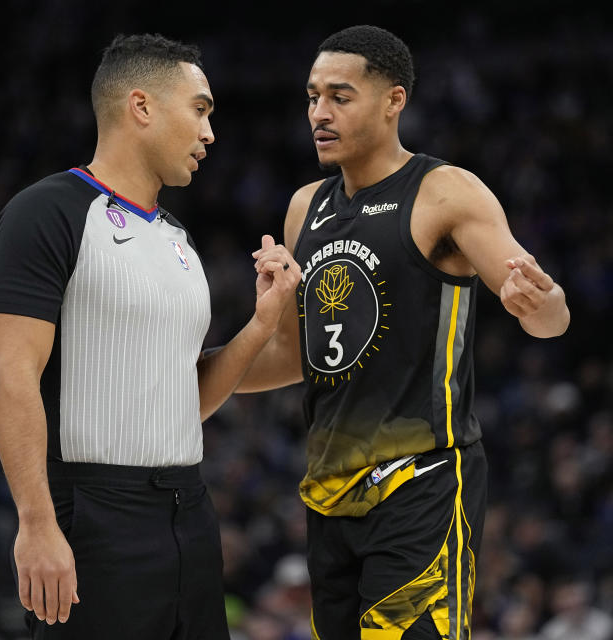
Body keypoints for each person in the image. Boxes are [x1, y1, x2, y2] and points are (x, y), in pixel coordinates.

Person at [239, 25, 570, 639]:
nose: (319, 113)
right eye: (312, 97)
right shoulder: (303, 206)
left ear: (394, 100)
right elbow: (292, 355)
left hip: (421, 485)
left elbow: (551, 318)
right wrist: (188, 374)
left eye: (340, 96)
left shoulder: (444, 192)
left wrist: (541, 303)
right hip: (327, 496)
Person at [0, 33, 300, 639]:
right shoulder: (45, 212)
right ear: (141, 106)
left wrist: (263, 323)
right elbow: (10, 373)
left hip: (189, 509)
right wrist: (37, 522)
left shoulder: (178, 238)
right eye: (200, 109)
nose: (210, 133)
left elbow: (190, 399)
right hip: (94, 512)